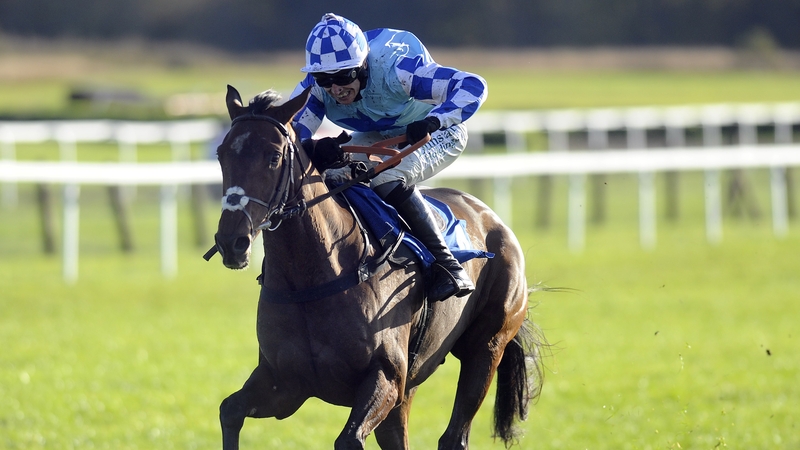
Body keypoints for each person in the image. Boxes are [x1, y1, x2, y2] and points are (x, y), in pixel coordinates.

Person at [289, 13, 488, 302]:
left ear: (363, 65)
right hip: (379, 134)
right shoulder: (317, 85)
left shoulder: (398, 68)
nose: (335, 88)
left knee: (387, 176)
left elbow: (473, 85)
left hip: (438, 132)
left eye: (343, 77)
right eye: (324, 79)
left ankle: (448, 265)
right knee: (331, 176)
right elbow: (292, 134)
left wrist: (434, 120)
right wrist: (315, 148)